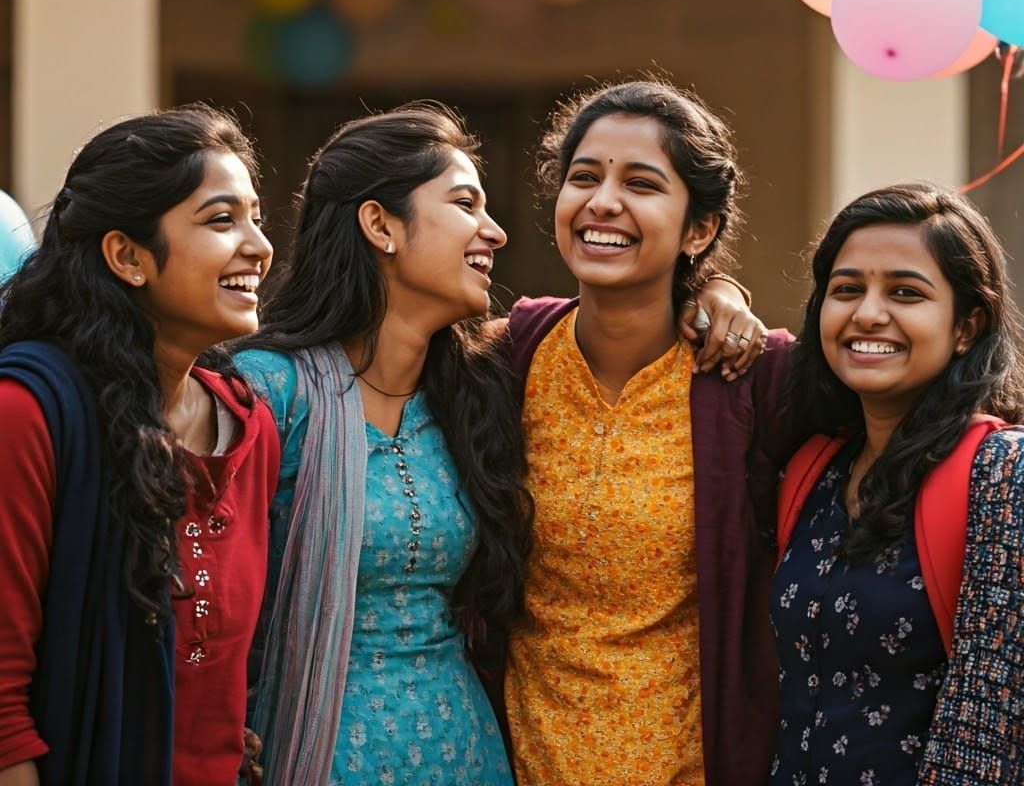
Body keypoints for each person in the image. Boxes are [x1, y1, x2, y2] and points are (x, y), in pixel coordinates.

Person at [498, 79, 796, 786]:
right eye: (583, 178)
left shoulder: (753, 378)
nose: (603, 202)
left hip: (689, 763)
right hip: (518, 761)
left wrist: (723, 295)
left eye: (641, 183)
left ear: (699, 228)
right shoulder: (513, 354)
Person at [234, 105, 532, 786]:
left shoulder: (472, 395)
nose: (495, 230)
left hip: (467, 756)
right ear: (380, 225)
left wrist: (715, 294)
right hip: (315, 756)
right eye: (465, 203)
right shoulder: (271, 395)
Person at [0, 105, 279, 786]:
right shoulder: (29, 416)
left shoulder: (250, 427)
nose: (259, 246)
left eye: (256, 217)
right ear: (127, 256)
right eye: (221, 221)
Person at [771, 182, 1024, 785]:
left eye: (905, 293)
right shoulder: (812, 469)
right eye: (847, 289)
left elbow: (987, 729)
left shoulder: (1004, 477)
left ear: (967, 326)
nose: (868, 313)